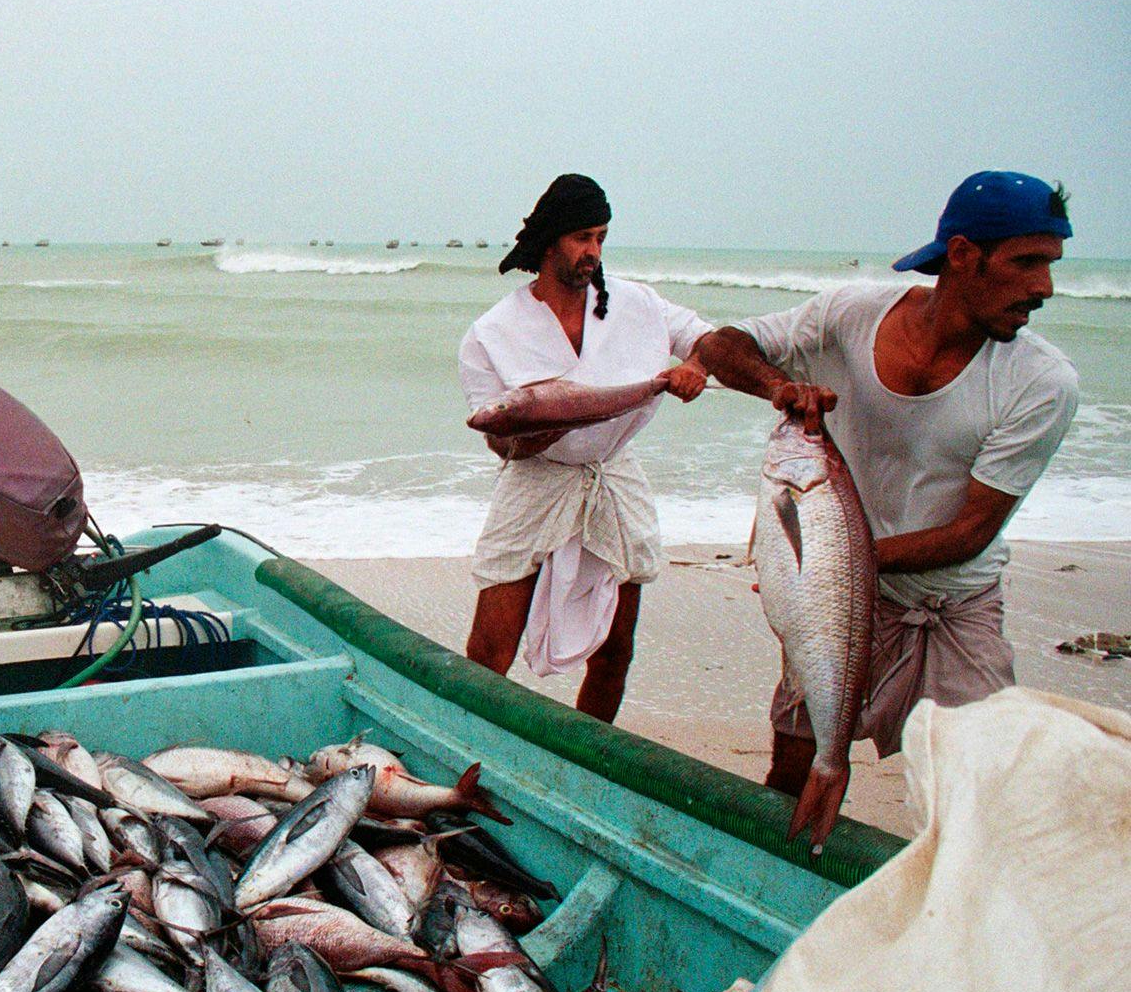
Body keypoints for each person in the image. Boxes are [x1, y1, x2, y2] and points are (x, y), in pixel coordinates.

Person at [695, 170, 1079, 843]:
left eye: (1049, 266)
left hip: (951, 607)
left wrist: (828, 566)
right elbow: (718, 347)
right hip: (840, 597)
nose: (1042, 288)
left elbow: (970, 533)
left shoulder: (1042, 383)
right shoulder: (850, 313)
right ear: (962, 255)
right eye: (1026, 262)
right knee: (795, 765)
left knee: (980, 799)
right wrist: (781, 387)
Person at [460, 174, 709, 722]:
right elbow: (502, 442)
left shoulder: (638, 305)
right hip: (537, 478)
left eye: (601, 237)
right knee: (487, 651)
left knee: (617, 650)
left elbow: (708, 339)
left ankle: (590, 751)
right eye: (581, 238)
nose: (593, 252)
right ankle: (473, 745)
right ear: (549, 242)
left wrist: (694, 366)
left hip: (615, 474)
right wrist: (542, 427)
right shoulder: (491, 332)